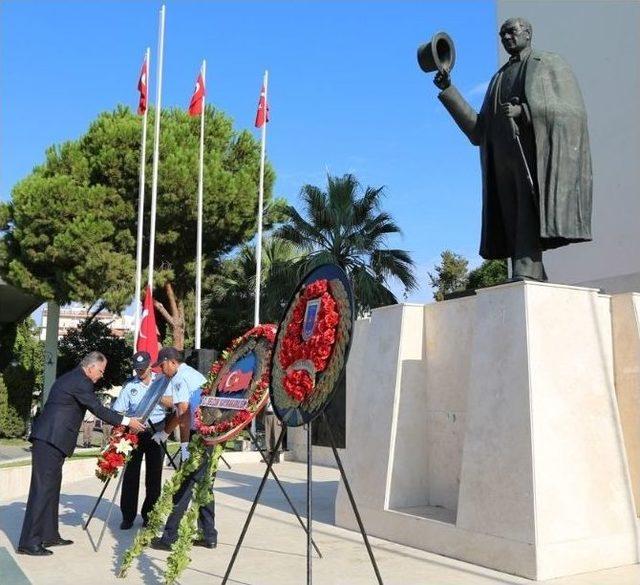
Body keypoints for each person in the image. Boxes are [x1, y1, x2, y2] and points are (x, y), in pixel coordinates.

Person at [433, 17, 592, 281]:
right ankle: (532, 272)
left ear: (528, 34)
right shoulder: (498, 78)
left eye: (512, 32)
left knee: (528, 209)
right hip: (501, 160)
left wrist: (525, 111)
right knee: (510, 218)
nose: (506, 37)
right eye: (502, 34)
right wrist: (448, 90)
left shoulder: (548, 64)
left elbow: (572, 111)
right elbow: (478, 130)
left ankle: (528, 269)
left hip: (532, 154)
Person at [18, 351, 145, 556]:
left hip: (54, 442)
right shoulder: (80, 381)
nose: (101, 375)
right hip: (49, 440)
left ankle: (49, 535)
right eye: (101, 371)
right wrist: (127, 421)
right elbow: (98, 409)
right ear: (91, 367)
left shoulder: (74, 378)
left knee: (51, 489)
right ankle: (29, 542)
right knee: (42, 490)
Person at [148, 347, 218, 549]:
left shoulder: (179, 378)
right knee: (205, 486)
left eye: (162, 366)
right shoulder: (193, 374)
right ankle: (209, 535)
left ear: (171, 362)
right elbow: (180, 413)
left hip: (198, 437)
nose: (161, 371)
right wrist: (166, 432)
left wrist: (185, 445)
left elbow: (184, 413)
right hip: (210, 435)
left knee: (184, 487)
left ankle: (169, 538)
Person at [113, 351, 168, 529]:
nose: (140, 372)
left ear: (150, 365)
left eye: (143, 369)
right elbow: (118, 410)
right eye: (137, 369)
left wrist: (161, 400)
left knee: (154, 475)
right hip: (134, 431)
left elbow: (173, 403)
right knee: (131, 475)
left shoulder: (162, 381)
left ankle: (149, 515)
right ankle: (127, 516)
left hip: (157, 429)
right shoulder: (129, 386)